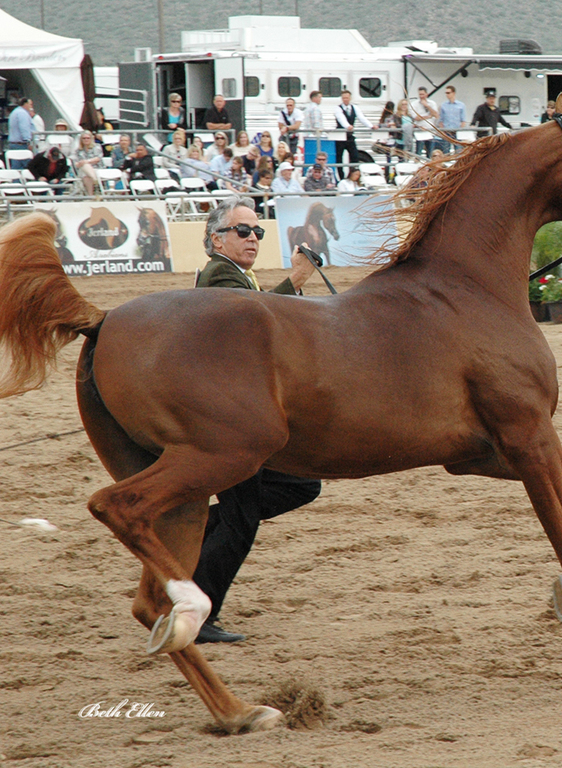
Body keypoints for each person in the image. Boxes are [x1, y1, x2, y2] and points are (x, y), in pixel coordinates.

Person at [192, 197, 321, 643]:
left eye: (257, 231)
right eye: (243, 231)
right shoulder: (219, 275)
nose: (253, 238)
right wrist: (297, 279)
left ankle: (191, 528)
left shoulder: (233, 275)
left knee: (303, 484)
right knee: (241, 521)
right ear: (216, 239)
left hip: (238, 412)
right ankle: (199, 615)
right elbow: (260, 321)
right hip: (229, 419)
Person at [333, 90, 373, 172]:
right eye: (344, 98)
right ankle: (341, 177)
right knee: (339, 157)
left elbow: (362, 118)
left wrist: (371, 126)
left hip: (350, 136)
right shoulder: (338, 108)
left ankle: (353, 174)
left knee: (354, 156)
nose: (345, 99)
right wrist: (347, 126)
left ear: (350, 98)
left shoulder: (354, 108)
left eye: (347, 98)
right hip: (340, 137)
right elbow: (341, 118)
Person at [72, 131, 105, 196]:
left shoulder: (96, 147)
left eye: (88, 138)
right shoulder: (78, 150)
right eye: (84, 138)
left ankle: (90, 196)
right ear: (81, 140)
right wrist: (83, 163)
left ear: (91, 139)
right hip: (83, 170)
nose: (86, 139)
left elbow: (98, 159)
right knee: (85, 168)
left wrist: (86, 162)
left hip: (97, 169)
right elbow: (76, 164)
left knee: (86, 173)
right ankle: (95, 181)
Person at [436, 85, 466, 154]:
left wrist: (460, 130)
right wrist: (443, 131)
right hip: (447, 132)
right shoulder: (443, 105)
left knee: (458, 152)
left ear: (453, 93)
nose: (447, 95)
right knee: (446, 152)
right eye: (446, 93)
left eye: (448, 93)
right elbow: (441, 120)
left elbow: (463, 120)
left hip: (457, 132)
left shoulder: (461, 105)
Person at [410, 87, 439, 157]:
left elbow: (436, 115)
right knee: (418, 153)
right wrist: (429, 116)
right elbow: (416, 118)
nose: (421, 96)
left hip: (430, 131)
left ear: (426, 94)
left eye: (423, 94)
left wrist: (427, 106)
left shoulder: (432, 103)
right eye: (420, 94)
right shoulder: (414, 104)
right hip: (420, 132)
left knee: (430, 153)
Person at [7, 97, 35, 169]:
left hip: (13, 143)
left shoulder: (15, 112)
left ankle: (15, 180)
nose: (31, 107)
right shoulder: (22, 113)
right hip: (21, 145)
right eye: (30, 104)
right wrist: (29, 141)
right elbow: (24, 128)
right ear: (25, 104)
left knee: (16, 168)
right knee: (29, 168)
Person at [302, 90, 324, 156]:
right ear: (314, 98)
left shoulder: (307, 108)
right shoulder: (315, 108)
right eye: (319, 97)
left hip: (307, 135)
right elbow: (316, 123)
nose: (321, 99)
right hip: (314, 136)